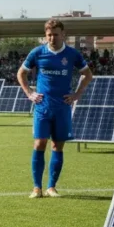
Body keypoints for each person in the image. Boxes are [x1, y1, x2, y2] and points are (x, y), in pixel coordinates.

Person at [16, 18, 94, 198]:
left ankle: (51, 187)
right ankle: (37, 187)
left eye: (55, 34)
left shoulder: (72, 54)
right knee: (39, 143)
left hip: (62, 107)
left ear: (63, 34)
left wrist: (76, 94)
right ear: (45, 35)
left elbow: (87, 75)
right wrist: (29, 93)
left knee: (57, 146)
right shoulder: (37, 52)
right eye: (49, 35)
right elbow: (21, 73)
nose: (52, 38)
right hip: (42, 106)